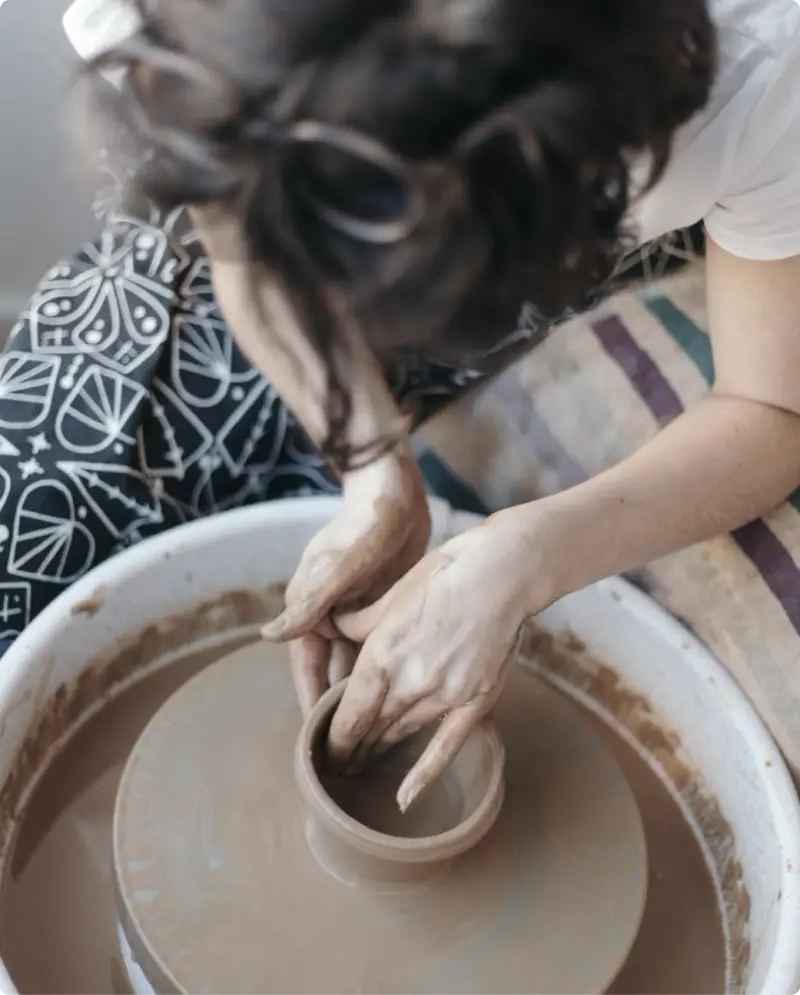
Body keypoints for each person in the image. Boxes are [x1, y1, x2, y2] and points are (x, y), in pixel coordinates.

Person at [2, 0, 799, 809]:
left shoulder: (763, 56)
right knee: (40, 502)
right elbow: (236, 245)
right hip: (264, 197)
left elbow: (771, 405)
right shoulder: (213, 45)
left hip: (553, 217)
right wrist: (372, 465)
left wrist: (523, 557)